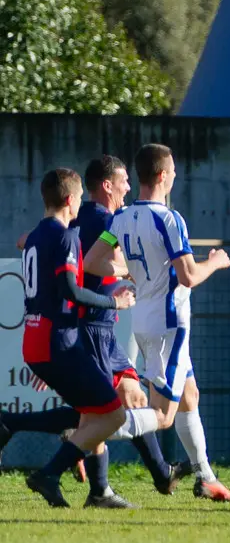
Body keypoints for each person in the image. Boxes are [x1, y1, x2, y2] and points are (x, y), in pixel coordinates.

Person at [85, 144, 230, 502]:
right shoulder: (169, 219)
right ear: (161, 176)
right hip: (170, 325)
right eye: (172, 172)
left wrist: (132, 272)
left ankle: (206, 478)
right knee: (163, 415)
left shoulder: (119, 219)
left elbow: (92, 262)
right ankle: (92, 434)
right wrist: (216, 261)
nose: (174, 178)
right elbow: (188, 276)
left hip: (144, 321)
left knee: (190, 396)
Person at [18, 168, 161, 507]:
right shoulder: (66, 236)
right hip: (59, 343)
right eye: (79, 197)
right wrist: (116, 301)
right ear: (70, 200)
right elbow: (71, 290)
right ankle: (50, 474)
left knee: (90, 413)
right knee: (111, 415)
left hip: (36, 339)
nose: (81, 203)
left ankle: (97, 489)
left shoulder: (35, 236)